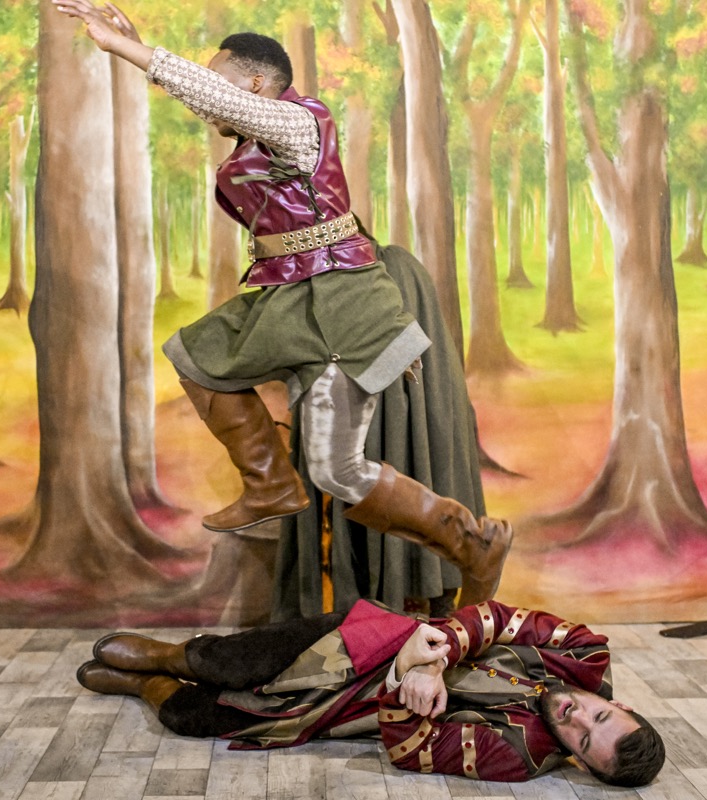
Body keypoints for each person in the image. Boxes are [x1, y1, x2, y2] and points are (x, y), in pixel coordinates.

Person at [53, 1, 510, 604]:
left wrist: (124, 49)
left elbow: (214, 99)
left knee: (334, 468)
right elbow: (209, 101)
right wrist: (137, 51)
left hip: (342, 301)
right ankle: (269, 485)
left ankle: (469, 543)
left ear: (255, 85)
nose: (210, 96)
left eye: (219, 82)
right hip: (290, 296)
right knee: (203, 359)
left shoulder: (299, 122)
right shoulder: (258, 133)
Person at [76, 592, 665, 787]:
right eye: (599, 717)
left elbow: (412, 751)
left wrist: (405, 687)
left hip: (349, 707)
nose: (576, 717)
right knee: (232, 662)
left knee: (195, 717)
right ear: (620, 704)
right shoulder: (585, 654)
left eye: (582, 741)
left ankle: (148, 685)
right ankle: (168, 655)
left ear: (576, 760)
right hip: (371, 637)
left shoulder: (522, 755)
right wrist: (431, 660)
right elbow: (499, 618)